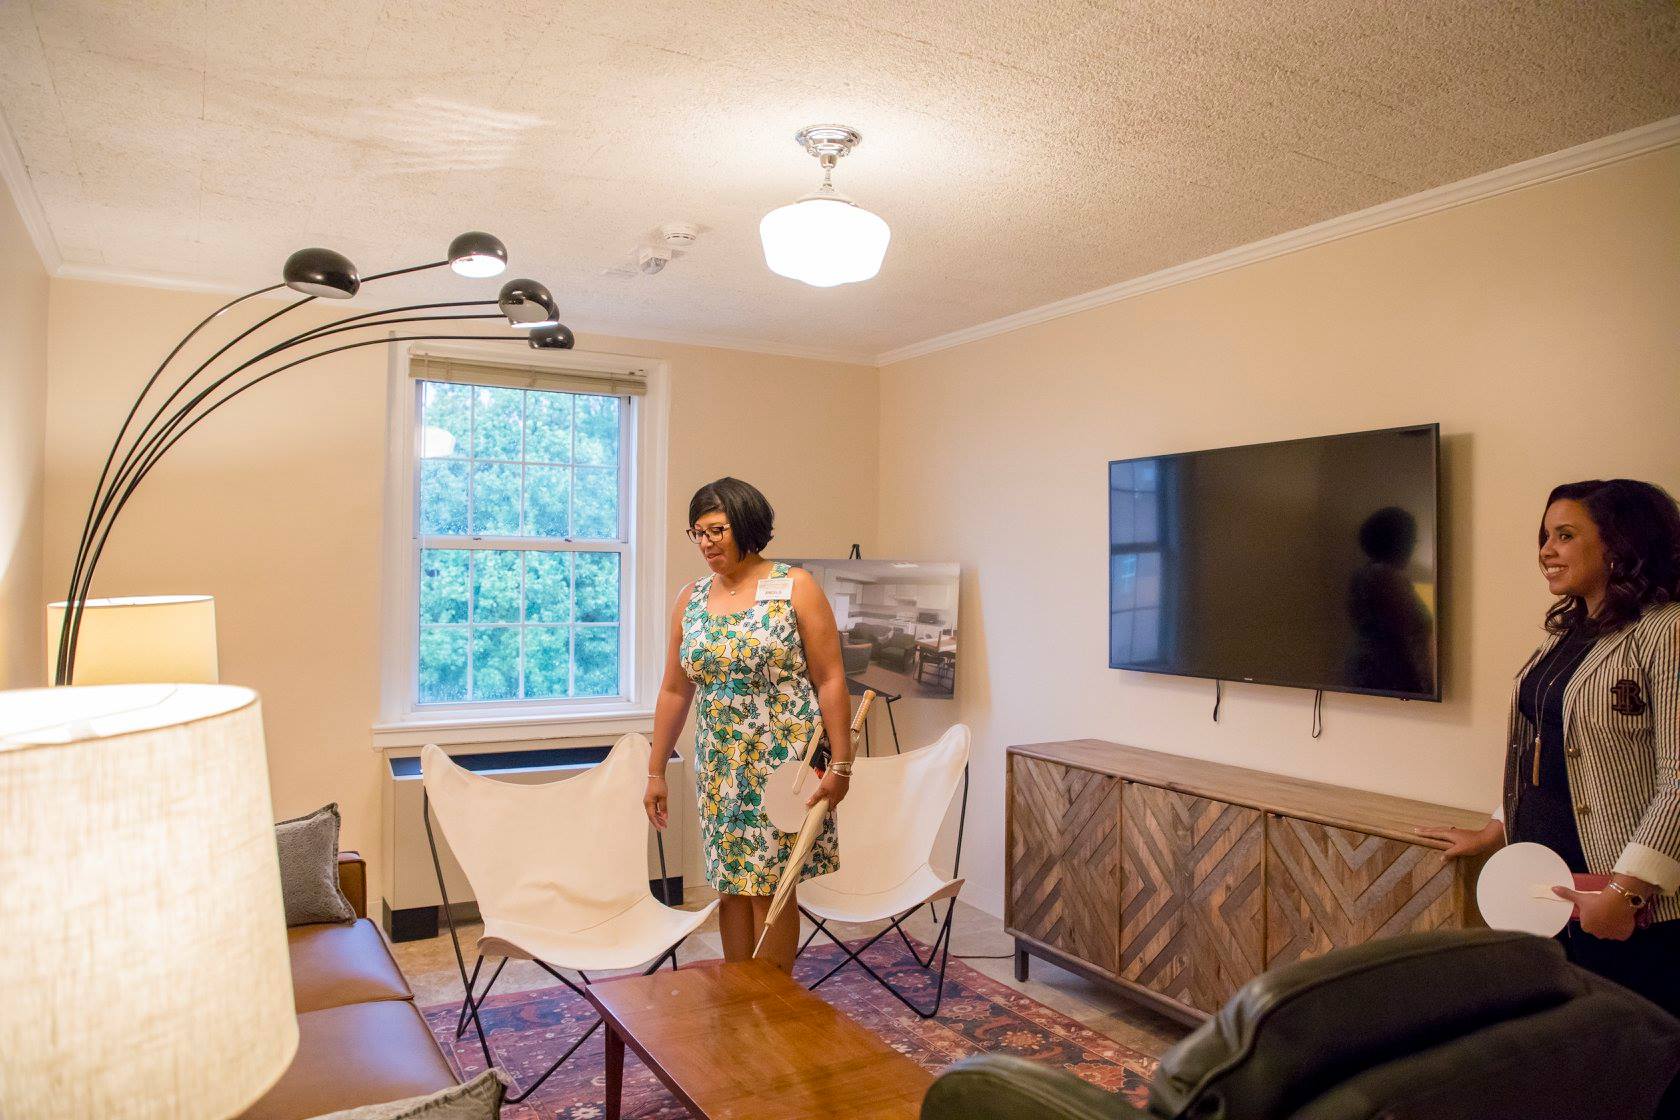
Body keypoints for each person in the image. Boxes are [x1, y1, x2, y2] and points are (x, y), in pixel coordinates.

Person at [1419, 479, 1680, 1024]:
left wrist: (1625, 892)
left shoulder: (1667, 630)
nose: (1545, 550)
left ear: (1620, 543)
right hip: (1549, 891)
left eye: (1565, 535)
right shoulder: (1566, 631)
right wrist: (1497, 826)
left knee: (1633, 1065)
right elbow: (1549, 748)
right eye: (1544, 536)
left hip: (1628, 904)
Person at [643, 477, 852, 972]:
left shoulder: (795, 585)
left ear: (746, 526)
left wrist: (842, 764)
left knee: (771, 888)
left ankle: (773, 1007)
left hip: (784, 766)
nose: (706, 542)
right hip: (720, 765)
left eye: (716, 529)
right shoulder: (690, 598)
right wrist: (655, 771)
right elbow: (675, 689)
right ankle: (742, 998)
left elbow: (830, 679)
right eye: (697, 532)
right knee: (731, 888)